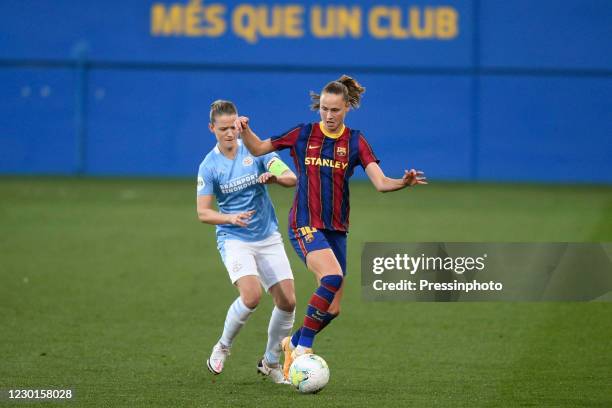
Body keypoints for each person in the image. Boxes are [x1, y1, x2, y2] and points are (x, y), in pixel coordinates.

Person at [235, 75, 427, 379]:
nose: (328, 115)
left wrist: (403, 182)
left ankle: (290, 343)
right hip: (305, 222)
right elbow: (258, 148)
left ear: (347, 107)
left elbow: (380, 182)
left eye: (335, 110)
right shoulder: (303, 133)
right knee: (332, 276)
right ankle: (303, 350)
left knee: (333, 308)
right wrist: (245, 131)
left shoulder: (355, 141)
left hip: (337, 229)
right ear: (318, 107)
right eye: (324, 108)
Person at [197, 100, 298, 384]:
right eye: (223, 129)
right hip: (234, 238)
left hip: (267, 236)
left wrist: (276, 179)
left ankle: (271, 362)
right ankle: (223, 347)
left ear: (240, 125)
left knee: (288, 301)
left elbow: (291, 177)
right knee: (251, 295)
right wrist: (230, 219)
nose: (229, 133)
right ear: (212, 129)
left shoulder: (255, 151)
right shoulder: (209, 166)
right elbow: (203, 212)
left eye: (233, 127)